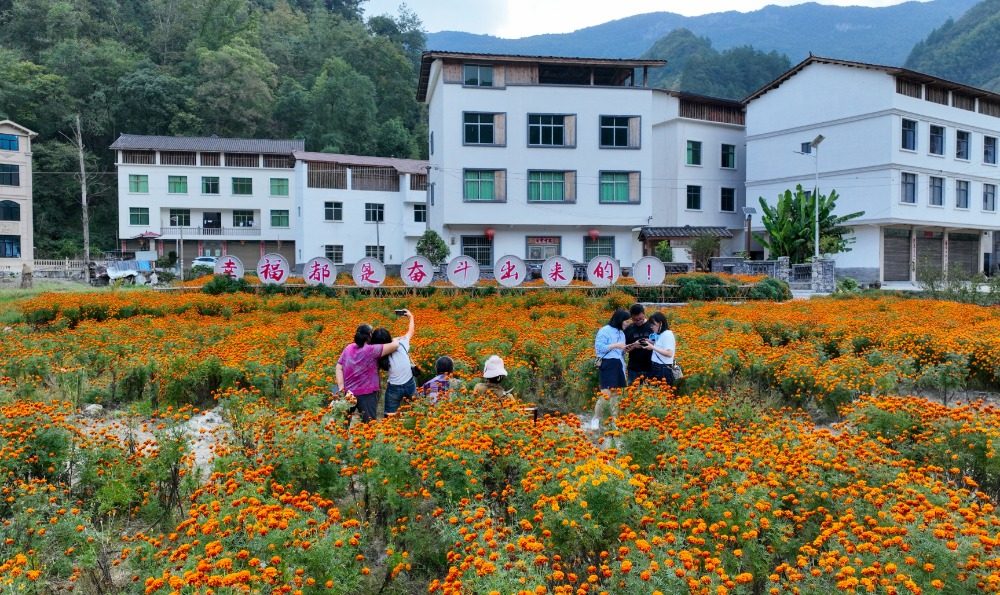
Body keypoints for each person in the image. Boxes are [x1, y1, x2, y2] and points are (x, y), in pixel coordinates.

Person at [335, 324, 399, 423]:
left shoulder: (348, 348)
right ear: (369, 335)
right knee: (369, 426)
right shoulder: (372, 350)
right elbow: (395, 345)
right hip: (367, 395)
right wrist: (395, 339)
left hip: (348, 393)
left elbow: (339, 367)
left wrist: (341, 387)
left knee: (342, 424)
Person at [590, 309, 632, 430]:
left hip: (618, 363)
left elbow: (621, 352)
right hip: (608, 363)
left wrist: (626, 349)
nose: (627, 323)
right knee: (605, 394)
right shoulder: (604, 330)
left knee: (616, 395)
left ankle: (615, 420)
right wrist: (616, 345)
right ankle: (596, 418)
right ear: (619, 320)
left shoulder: (622, 333)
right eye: (626, 321)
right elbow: (599, 348)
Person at [371, 309, 416, 415]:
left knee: (389, 415)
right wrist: (411, 317)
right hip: (409, 384)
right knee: (415, 411)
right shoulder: (401, 343)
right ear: (389, 337)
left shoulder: (376, 353)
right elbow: (411, 331)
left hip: (394, 388)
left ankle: (391, 430)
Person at [624, 303, 654, 385]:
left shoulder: (652, 327)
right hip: (634, 368)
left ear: (644, 314)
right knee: (632, 394)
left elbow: (662, 345)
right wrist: (634, 345)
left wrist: (651, 344)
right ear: (631, 318)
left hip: (651, 367)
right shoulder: (629, 329)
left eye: (640, 318)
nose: (638, 321)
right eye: (635, 320)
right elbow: (624, 349)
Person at [643, 312, 676, 385]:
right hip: (656, 367)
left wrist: (652, 347)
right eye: (650, 324)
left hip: (662, 369)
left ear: (660, 323)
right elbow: (662, 347)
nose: (651, 327)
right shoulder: (661, 334)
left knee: (662, 392)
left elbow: (669, 353)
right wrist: (651, 342)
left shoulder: (667, 334)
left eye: (653, 324)